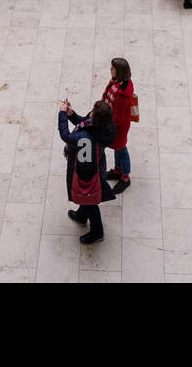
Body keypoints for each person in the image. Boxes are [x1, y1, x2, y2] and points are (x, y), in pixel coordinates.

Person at [58, 97, 116, 245]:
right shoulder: (105, 127)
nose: (89, 114)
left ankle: (97, 232)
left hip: (87, 172)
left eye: (92, 112)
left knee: (89, 199)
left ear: (95, 118)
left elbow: (66, 136)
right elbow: (84, 123)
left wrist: (62, 114)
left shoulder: (85, 137)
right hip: (98, 164)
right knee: (87, 197)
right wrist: (71, 114)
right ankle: (81, 216)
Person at [102, 58, 135, 194]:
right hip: (113, 123)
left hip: (118, 127)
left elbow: (118, 117)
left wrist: (107, 126)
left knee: (121, 149)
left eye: (113, 69)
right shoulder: (117, 82)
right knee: (118, 148)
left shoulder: (122, 94)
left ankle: (125, 177)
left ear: (119, 72)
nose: (110, 70)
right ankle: (117, 171)